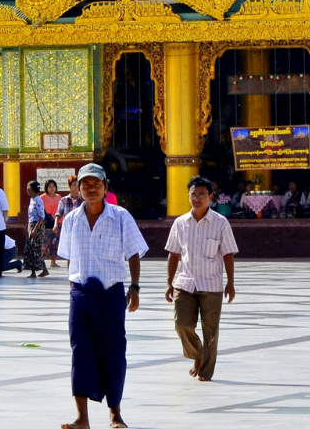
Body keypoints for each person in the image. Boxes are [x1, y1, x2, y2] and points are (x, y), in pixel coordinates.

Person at [58, 162, 148, 429]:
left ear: (105, 187)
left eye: (96, 184)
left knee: (114, 352)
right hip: (81, 294)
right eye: (85, 184)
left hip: (111, 294)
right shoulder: (71, 220)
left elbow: (133, 252)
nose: (91, 189)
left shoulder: (120, 216)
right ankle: (81, 418)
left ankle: (115, 414)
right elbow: (69, 258)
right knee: (80, 353)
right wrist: (72, 289)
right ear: (78, 188)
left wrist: (135, 287)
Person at [164, 175, 237, 382]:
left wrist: (230, 283)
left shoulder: (220, 223)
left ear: (210, 197)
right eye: (193, 195)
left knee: (210, 330)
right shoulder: (180, 223)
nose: (197, 199)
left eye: (202, 195)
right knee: (182, 325)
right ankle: (198, 354)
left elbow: (228, 253)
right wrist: (169, 283)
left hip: (211, 284)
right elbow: (173, 254)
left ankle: (205, 371)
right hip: (184, 282)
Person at [24, 180, 49, 278]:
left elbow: (41, 217)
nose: (27, 190)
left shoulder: (38, 200)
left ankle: (44, 269)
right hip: (31, 225)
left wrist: (35, 230)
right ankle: (33, 272)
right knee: (29, 249)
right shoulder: (32, 199)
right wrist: (28, 226)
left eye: (29, 188)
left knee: (35, 249)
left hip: (37, 226)